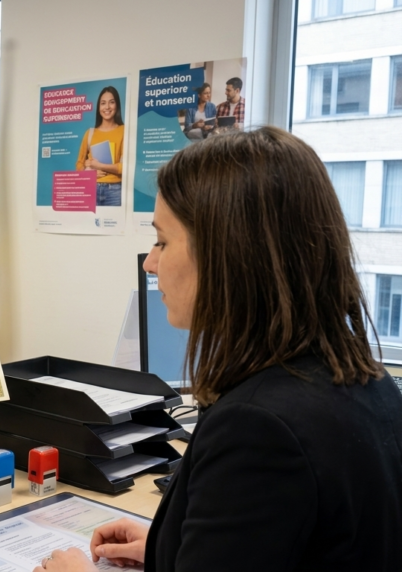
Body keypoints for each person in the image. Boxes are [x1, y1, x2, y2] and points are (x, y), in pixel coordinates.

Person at [35, 127, 402, 571]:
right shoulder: (370, 382)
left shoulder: (257, 428)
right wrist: (172, 545)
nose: (151, 263)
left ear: (226, 256)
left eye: (163, 241)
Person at [75, 86, 124, 207]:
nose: (107, 107)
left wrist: (98, 165)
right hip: (90, 189)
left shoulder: (124, 131)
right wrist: (89, 173)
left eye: (111, 102)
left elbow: (125, 167)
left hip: (115, 190)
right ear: (98, 107)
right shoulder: (90, 133)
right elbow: (79, 164)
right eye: (103, 103)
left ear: (117, 105)